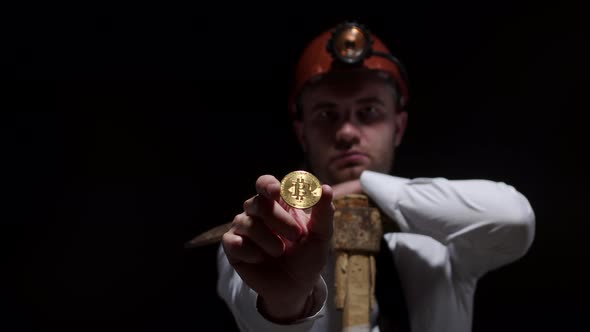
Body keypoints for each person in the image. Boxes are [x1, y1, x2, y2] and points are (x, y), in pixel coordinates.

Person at [215, 21, 535, 332]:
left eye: (368, 112)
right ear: (302, 133)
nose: (347, 132)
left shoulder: (443, 241)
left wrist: (364, 187)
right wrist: (285, 304)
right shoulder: (261, 235)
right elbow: (256, 314)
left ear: (398, 127)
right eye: (327, 114)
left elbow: (513, 218)